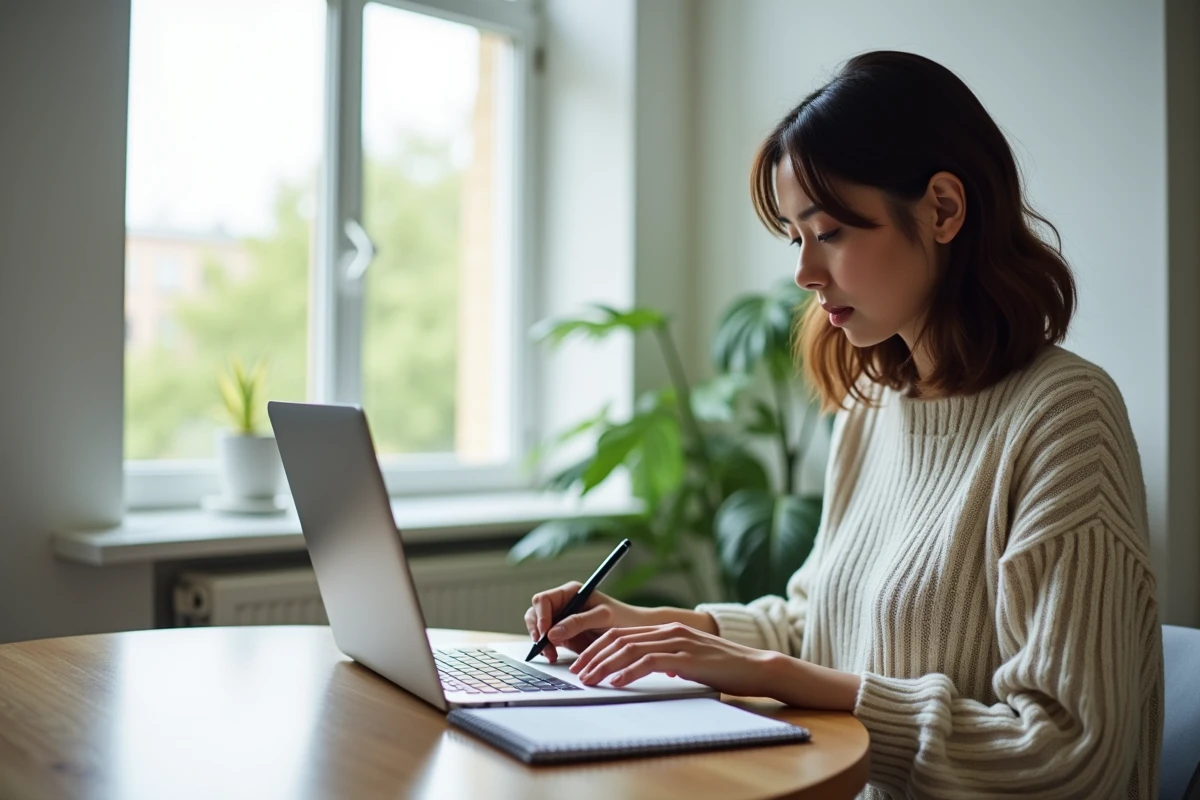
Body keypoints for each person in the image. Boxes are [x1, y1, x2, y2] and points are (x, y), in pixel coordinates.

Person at [524, 50, 1163, 798]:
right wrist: (660, 627)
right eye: (795, 237)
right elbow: (818, 623)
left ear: (944, 210)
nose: (803, 272)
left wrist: (777, 677)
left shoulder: (1066, 418)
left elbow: (1070, 753)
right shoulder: (873, 410)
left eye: (827, 232)